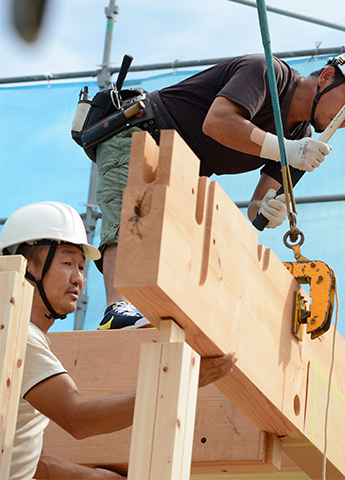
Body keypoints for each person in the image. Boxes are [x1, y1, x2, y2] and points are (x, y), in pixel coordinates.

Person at [95, 50, 345, 329]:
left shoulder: (301, 142)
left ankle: (146, 314)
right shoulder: (268, 72)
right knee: (128, 217)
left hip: (184, 168)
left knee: (173, 242)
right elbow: (217, 123)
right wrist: (286, 150)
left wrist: (267, 210)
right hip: (141, 133)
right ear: (326, 76)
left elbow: (259, 203)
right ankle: (116, 308)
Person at [0, 201, 237, 479]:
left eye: (81, 266)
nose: (78, 278)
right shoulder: (21, 338)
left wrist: (88, 476)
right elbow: (78, 420)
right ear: (28, 268)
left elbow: (17, 447)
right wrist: (180, 382)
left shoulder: (20, 337)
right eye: (67, 263)